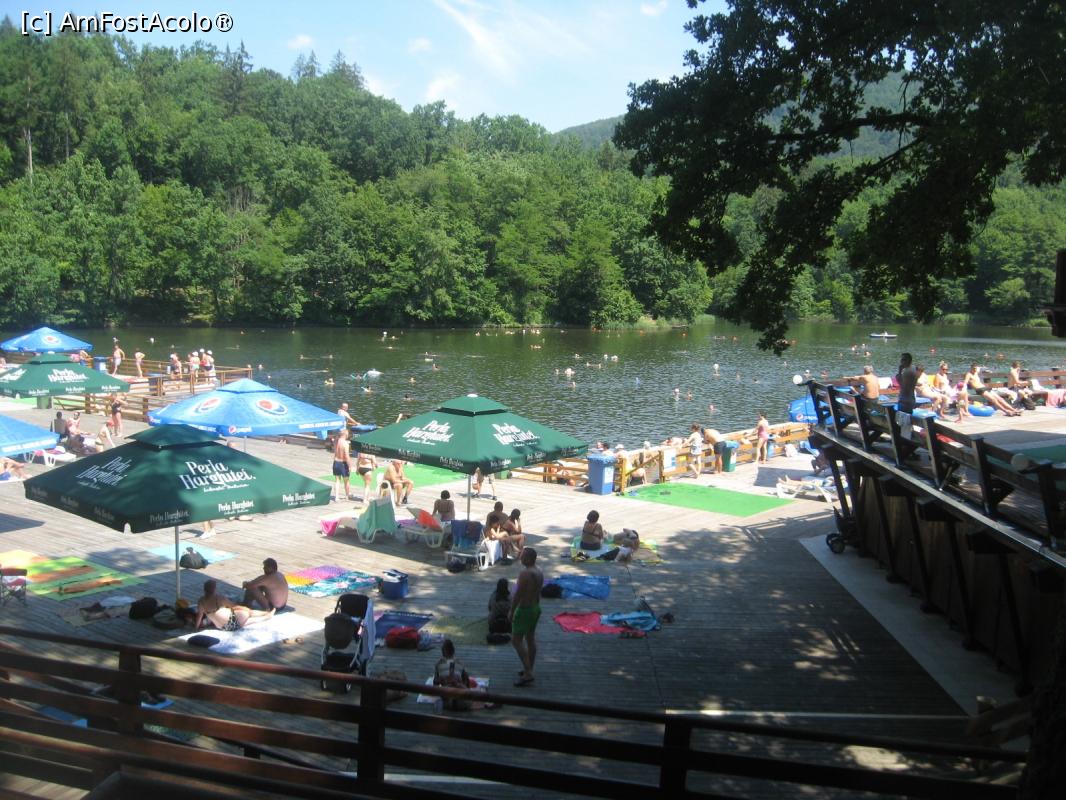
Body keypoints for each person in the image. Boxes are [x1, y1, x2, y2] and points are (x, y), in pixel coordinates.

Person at [511, 548, 543, 687]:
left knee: (516, 641)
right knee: (530, 639)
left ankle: (528, 673)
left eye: (523, 556)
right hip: (535, 608)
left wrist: (512, 611)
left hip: (525, 610)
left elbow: (518, 594)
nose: (520, 558)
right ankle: (528, 667)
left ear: (529, 558)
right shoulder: (539, 571)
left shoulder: (525, 573)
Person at [195, 579, 275, 631]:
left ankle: (266, 616)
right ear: (214, 589)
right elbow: (234, 606)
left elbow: (199, 616)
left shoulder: (201, 601)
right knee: (247, 613)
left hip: (224, 627)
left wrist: (196, 627)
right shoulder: (219, 598)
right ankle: (266, 613)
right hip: (233, 619)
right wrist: (246, 609)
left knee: (247, 621)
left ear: (204, 589)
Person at [332, 428, 353, 501]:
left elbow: (335, 440)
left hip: (336, 462)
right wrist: (350, 466)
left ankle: (336, 497)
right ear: (346, 435)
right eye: (347, 434)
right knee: (346, 481)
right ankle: (347, 496)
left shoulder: (336, 441)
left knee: (337, 480)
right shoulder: (345, 444)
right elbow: (347, 456)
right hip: (343, 463)